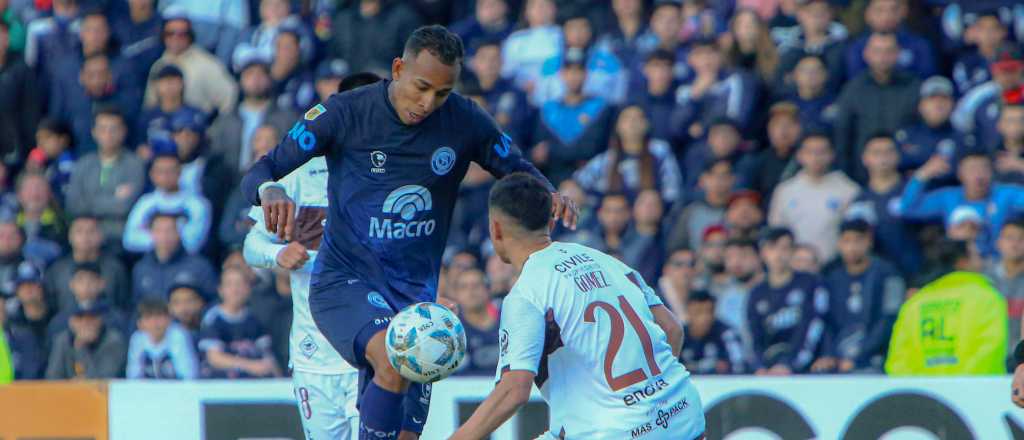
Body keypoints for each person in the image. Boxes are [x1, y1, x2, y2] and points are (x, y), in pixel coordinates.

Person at [240, 26, 576, 440]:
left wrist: (549, 190)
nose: (428, 102)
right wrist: (270, 189)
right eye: (421, 87)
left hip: (414, 296)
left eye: (442, 93)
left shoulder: (464, 119)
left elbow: (516, 166)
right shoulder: (344, 112)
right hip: (344, 281)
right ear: (398, 68)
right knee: (394, 356)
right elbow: (263, 168)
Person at [451, 173, 705, 440]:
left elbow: (514, 390)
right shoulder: (606, 260)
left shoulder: (526, 294)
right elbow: (672, 329)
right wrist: (647, 402)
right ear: (550, 220)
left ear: (496, 229)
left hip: (614, 432)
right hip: (683, 413)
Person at [240, 69, 380, 440]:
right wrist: (279, 254)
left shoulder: (397, 173)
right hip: (313, 353)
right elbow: (252, 245)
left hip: (375, 355)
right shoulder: (300, 171)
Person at [886, 239, 1007, 375]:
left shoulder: (915, 304)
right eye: (977, 255)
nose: (982, 260)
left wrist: (920, 390)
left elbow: (898, 361)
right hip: (973, 393)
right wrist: (962, 386)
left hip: (921, 394)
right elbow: (990, 351)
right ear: (963, 262)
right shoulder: (988, 298)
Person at [900, 150, 1024, 257]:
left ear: (992, 172)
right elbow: (907, 208)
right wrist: (922, 174)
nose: (979, 175)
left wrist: (1020, 166)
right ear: (960, 173)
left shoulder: (1007, 194)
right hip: (960, 266)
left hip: (999, 268)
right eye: (972, 169)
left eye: (984, 168)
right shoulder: (948, 197)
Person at [819, 220, 905, 373]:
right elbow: (826, 321)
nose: (852, 247)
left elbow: (890, 318)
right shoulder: (831, 278)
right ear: (839, 244)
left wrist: (859, 356)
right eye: (846, 241)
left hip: (877, 356)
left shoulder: (889, 274)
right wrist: (829, 354)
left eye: (858, 240)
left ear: (869, 241)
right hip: (839, 357)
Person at [833, 32, 920, 182]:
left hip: (905, 175)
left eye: (889, 51)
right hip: (862, 176)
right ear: (866, 54)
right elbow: (843, 134)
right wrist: (847, 174)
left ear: (898, 54)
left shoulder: (913, 86)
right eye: (877, 51)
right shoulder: (853, 89)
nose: (883, 57)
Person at [747, 227, 830, 375]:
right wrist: (759, 367)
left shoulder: (811, 284)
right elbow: (753, 337)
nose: (778, 254)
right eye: (772, 248)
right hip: (768, 369)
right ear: (763, 253)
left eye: (784, 248)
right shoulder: (756, 293)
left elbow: (813, 327)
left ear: (793, 252)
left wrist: (791, 364)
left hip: (807, 368)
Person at [769, 131, 859, 262]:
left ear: (832, 154)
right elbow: (777, 232)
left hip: (834, 265)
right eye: (810, 152)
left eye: (821, 152)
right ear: (800, 155)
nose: (815, 157)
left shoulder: (849, 190)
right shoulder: (785, 190)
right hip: (795, 266)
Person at [65, 107, 146, 248]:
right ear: (94, 132)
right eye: (102, 129)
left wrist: (90, 200)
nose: (108, 134)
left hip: (119, 237)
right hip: (84, 237)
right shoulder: (82, 164)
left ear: (123, 132)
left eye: (114, 129)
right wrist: (111, 199)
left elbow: (124, 206)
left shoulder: (135, 164)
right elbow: (73, 205)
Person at [531, 49, 614, 186]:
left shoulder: (600, 108)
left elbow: (593, 148)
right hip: (552, 180)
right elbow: (539, 152)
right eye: (569, 71)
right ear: (562, 74)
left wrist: (552, 151)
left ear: (586, 74)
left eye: (578, 71)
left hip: (589, 180)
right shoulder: (548, 110)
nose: (574, 76)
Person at [208, 53, 298, 174]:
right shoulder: (226, 120)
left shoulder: (286, 118)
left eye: (261, 74)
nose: (256, 79)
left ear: (269, 79)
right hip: (231, 184)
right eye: (249, 74)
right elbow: (215, 156)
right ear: (240, 80)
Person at [845, 133, 921, 275]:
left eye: (889, 152)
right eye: (876, 153)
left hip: (914, 277)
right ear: (865, 158)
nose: (883, 158)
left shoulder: (912, 192)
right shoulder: (858, 200)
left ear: (898, 156)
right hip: (877, 279)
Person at [573, 105, 682, 205]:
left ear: (646, 124)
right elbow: (579, 183)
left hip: (652, 214)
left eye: (637, 118)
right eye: (626, 119)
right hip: (614, 218)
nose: (632, 123)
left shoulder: (660, 150)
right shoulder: (607, 159)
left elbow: (673, 189)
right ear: (617, 127)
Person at [143, 12, 238, 116]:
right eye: (170, 33)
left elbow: (229, 98)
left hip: (197, 127)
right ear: (163, 36)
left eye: (182, 34)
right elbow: (150, 104)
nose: (175, 38)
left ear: (190, 36)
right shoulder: (158, 66)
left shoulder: (208, 64)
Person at [198, 267, 280, 379]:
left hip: (251, 383)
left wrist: (278, 378)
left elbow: (267, 355)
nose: (235, 289)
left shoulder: (254, 319)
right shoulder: (213, 318)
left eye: (240, 284)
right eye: (229, 284)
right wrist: (251, 366)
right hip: (218, 383)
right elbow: (215, 359)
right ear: (220, 290)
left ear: (249, 289)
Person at [123, 153, 212, 255]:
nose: (165, 176)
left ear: (180, 173)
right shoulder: (145, 202)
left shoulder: (197, 204)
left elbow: (193, 243)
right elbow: (130, 239)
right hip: (150, 261)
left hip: (186, 262)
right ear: (152, 175)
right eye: (160, 171)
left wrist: (158, 240)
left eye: (170, 171)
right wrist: (165, 241)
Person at [45, 216, 130, 313]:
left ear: (101, 236)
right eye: (79, 231)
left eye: (91, 231)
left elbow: (123, 304)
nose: (85, 236)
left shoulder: (115, 268)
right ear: (70, 236)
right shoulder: (57, 270)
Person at [131, 212, 217, 305]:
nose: (164, 236)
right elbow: (136, 306)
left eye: (169, 230)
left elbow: (213, 303)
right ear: (151, 234)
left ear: (179, 233)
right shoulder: (141, 268)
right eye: (159, 230)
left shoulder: (200, 266)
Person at [895, 76, 971, 174]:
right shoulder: (905, 137)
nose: (938, 104)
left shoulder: (964, 139)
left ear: (953, 104)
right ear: (921, 105)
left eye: (944, 99)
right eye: (932, 99)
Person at [843, 0, 935, 80]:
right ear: (867, 13)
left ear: (904, 11)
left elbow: (926, 82)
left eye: (894, 9)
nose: (887, 16)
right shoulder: (856, 48)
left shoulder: (920, 46)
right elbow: (855, 82)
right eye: (880, 10)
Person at [45, 302, 128, 379]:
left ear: (100, 320)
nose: (86, 323)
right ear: (71, 322)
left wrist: (81, 348)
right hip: (67, 393)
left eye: (91, 318)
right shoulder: (63, 340)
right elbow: (52, 377)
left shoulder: (113, 341)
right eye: (80, 318)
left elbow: (103, 380)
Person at [668, 159, 734, 253]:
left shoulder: (739, 210)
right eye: (713, 175)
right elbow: (676, 247)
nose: (720, 180)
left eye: (725, 175)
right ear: (703, 179)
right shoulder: (691, 212)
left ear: (732, 179)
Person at [737, 102, 802, 198]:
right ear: (769, 129)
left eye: (790, 124)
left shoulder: (808, 159)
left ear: (800, 128)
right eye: (778, 124)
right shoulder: (757, 163)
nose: (784, 130)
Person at [126, 297, 199, 379]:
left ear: (169, 319)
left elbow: (189, 375)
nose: (155, 323)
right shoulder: (137, 339)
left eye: (159, 316)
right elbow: (133, 376)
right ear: (140, 324)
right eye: (148, 318)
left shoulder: (178, 335)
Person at [679, 290, 745, 375]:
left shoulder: (727, 334)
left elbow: (739, 365)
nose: (705, 317)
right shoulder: (678, 336)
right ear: (688, 313)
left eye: (709, 311)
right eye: (698, 312)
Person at [450, 268, 499, 376]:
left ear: (488, 290)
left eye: (476, 286)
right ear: (456, 294)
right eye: (464, 287)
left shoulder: (507, 322)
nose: (470, 292)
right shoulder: (450, 330)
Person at [987, 218, 1024, 347]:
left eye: (1021, 238)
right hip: (991, 359)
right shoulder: (984, 279)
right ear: (998, 242)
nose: (1015, 244)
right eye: (1009, 238)